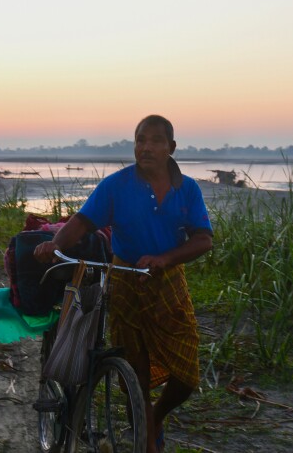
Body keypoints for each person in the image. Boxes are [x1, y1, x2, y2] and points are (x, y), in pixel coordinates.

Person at [34, 114, 213, 453]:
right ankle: (147, 441)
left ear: (171, 147)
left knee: (187, 377)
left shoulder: (187, 188)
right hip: (126, 280)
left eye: (155, 141)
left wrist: (166, 258)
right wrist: (55, 244)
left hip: (169, 283)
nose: (146, 147)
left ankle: (155, 418)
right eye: (140, 140)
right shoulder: (116, 185)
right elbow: (83, 222)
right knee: (137, 376)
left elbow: (204, 239)